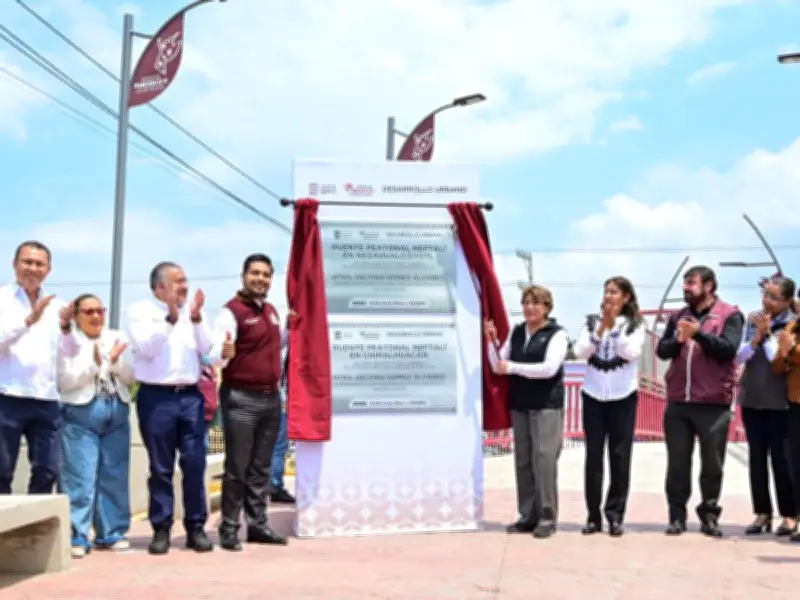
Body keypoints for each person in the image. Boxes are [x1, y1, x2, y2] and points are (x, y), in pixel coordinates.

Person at [125, 262, 216, 555]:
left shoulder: (192, 312)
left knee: (194, 463)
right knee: (161, 468)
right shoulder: (140, 311)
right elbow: (147, 349)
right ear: (159, 288)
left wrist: (197, 318)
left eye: (185, 280)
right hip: (156, 398)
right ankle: (161, 529)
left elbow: (208, 350)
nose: (184, 286)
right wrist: (170, 319)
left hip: (190, 396)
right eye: (177, 281)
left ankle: (196, 527)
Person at [656, 265, 744, 538]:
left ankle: (709, 515)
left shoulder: (730, 315)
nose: (686, 288)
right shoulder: (677, 316)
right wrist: (679, 340)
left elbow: (728, 349)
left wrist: (698, 335)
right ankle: (676, 517)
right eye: (685, 283)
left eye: (691, 283)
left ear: (708, 286)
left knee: (712, 464)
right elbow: (662, 351)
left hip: (713, 402)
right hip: (679, 401)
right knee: (678, 463)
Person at [210, 253, 290, 551]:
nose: (261, 279)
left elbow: (273, 345)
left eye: (266, 274)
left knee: (261, 468)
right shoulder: (230, 312)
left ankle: (257, 525)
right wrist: (224, 352)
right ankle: (229, 527)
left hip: (271, 399)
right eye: (255, 273)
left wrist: (291, 328)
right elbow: (215, 352)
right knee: (238, 468)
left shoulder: (271, 311)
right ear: (243, 276)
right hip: (241, 398)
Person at [485, 285, 569, 539]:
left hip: (546, 405)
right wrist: (491, 341)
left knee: (543, 459)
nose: (529, 307)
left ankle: (547, 516)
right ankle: (527, 515)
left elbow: (549, 369)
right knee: (523, 460)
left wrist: (513, 367)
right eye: (526, 302)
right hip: (520, 404)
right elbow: (498, 364)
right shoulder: (518, 332)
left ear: (546, 307)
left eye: (535, 302)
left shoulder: (557, 334)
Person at [0, 241, 80, 495]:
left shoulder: (57, 307)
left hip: (46, 400)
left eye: (39, 264)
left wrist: (67, 328)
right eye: (27, 262)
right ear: (14, 265)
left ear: (48, 270)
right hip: (7, 397)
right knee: (1, 471)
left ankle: (33, 529)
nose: (32, 268)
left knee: (49, 469)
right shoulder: (2, 299)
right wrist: (28, 321)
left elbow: (71, 352)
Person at [58, 294, 134, 558]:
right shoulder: (68, 341)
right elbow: (66, 381)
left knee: (114, 475)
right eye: (88, 311)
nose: (95, 316)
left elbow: (132, 376)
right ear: (77, 315)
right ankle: (76, 535)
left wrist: (114, 361)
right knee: (79, 476)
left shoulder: (117, 336)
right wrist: (95, 365)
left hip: (117, 409)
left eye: (99, 310)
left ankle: (111, 532)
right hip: (81, 412)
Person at [572, 276, 646, 537]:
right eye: (605, 291)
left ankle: (615, 515)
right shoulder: (591, 322)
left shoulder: (636, 324)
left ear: (626, 297)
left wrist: (615, 327)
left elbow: (630, 353)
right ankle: (593, 516)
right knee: (593, 457)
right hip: (593, 395)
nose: (607, 296)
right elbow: (580, 351)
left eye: (614, 292)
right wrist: (601, 329)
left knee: (620, 456)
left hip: (622, 396)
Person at [736, 276, 796, 536]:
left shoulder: (792, 325)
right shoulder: (753, 319)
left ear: (786, 301)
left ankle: (790, 514)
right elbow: (740, 356)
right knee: (757, 459)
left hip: (781, 402)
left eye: (773, 297)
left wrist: (769, 334)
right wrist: (756, 336)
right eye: (765, 295)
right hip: (753, 398)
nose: (766, 301)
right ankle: (762, 512)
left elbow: (778, 360)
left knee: (782, 461)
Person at [772, 310, 800, 542]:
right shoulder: (791, 329)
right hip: (795, 404)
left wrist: (790, 350)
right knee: (796, 466)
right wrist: (785, 351)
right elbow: (778, 367)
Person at [269, 348, 295, 504]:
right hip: (280, 401)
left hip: (271, 399)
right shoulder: (286, 346)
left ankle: (271, 484)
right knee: (279, 446)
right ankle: (274, 485)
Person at [198, 359, 219, 454]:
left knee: (202, 440)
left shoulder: (210, 370)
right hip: (204, 410)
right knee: (202, 439)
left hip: (207, 410)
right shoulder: (209, 371)